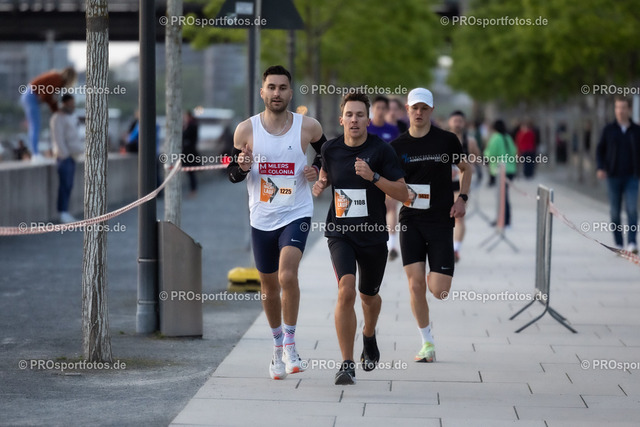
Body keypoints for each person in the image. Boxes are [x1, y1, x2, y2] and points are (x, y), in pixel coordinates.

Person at [227, 65, 325, 380]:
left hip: (297, 212)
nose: (277, 93)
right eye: (271, 87)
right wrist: (242, 166)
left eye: (282, 88)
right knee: (268, 286)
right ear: (262, 92)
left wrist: (317, 170)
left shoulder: (308, 126)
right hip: (262, 217)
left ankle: (291, 346)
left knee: (287, 275)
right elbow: (232, 174)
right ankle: (277, 347)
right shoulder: (246, 130)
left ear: (290, 92)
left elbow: (328, 154)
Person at [313, 92, 407, 385]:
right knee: (346, 290)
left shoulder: (382, 150)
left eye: (360, 115)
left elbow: (404, 193)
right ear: (341, 119)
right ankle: (347, 363)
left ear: (368, 119)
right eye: (349, 115)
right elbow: (326, 173)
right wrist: (320, 182)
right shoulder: (329, 149)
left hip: (373, 235)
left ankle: (369, 333)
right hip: (340, 233)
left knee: (368, 296)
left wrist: (374, 177)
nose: (354, 120)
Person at [391, 88, 472, 364]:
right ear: (407, 109)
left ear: (431, 111)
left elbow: (467, 169)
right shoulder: (397, 146)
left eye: (424, 108)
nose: (419, 112)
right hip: (410, 221)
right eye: (414, 108)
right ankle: (427, 343)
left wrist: (462, 198)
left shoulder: (446, 140)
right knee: (415, 287)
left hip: (440, 221)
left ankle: (432, 277)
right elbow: (390, 184)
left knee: (440, 291)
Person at [596, 96, 640, 254]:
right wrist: (600, 167)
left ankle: (632, 242)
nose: (620, 111)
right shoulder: (609, 129)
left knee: (632, 209)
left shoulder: (636, 130)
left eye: (623, 107)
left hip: (632, 177)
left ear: (629, 109)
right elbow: (600, 150)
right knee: (614, 212)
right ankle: (619, 243)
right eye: (617, 107)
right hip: (613, 176)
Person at [368, 96, 402, 260]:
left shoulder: (393, 130)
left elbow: (398, 153)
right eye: (378, 108)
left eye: (383, 108)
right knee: (372, 210)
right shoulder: (366, 127)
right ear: (372, 109)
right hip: (368, 176)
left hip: (388, 176)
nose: (380, 111)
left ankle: (391, 245)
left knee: (391, 208)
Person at [21, 66, 77, 160]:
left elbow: (48, 96)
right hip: (31, 95)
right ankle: (35, 154)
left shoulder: (56, 77)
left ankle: (35, 153)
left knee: (34, 126)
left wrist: (55, 109)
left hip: (29, 94)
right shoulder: (58, 80)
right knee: (35, 126)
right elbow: (47, 96)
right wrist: (55, 109)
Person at [448, 110, 480, 262]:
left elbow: (477, 158)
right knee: (444, 217)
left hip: (461, 186)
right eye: (455, 120)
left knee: (458, 218)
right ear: (449, 122)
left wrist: (469, 165)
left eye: (460, 121)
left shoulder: (470, 141)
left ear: (464, 123)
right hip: (443, 185)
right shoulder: (442, 139)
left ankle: (456, 250)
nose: (457, 124)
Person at [50, 94, 84, 224]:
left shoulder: (71, 116)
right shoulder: (58, 117)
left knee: (69, 185)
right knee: (64, 185)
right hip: (64, 157)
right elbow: (58, 138)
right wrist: (64, 154)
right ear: (64, 103)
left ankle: (66, 211)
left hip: (72, 156)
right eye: (70, 103)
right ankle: (62, 212)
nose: (72, 106)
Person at [484, 119, 517, 227]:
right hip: (510, 169)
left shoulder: (496, 138)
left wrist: (485, 156)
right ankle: (506, 219)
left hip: (499, 170)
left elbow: (490, 153)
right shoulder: (508, 137)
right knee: (505, 195)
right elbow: (514, 151)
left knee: (501, 196)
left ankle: (502, 219)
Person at [182, 110, 200, 197]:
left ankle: (193, 191)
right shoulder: (192, 125)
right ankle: (193, 190)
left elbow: (186, 137)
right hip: (188, 153)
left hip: (190, 153)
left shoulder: (192, 126)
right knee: (191, 173)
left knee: (191, 173)